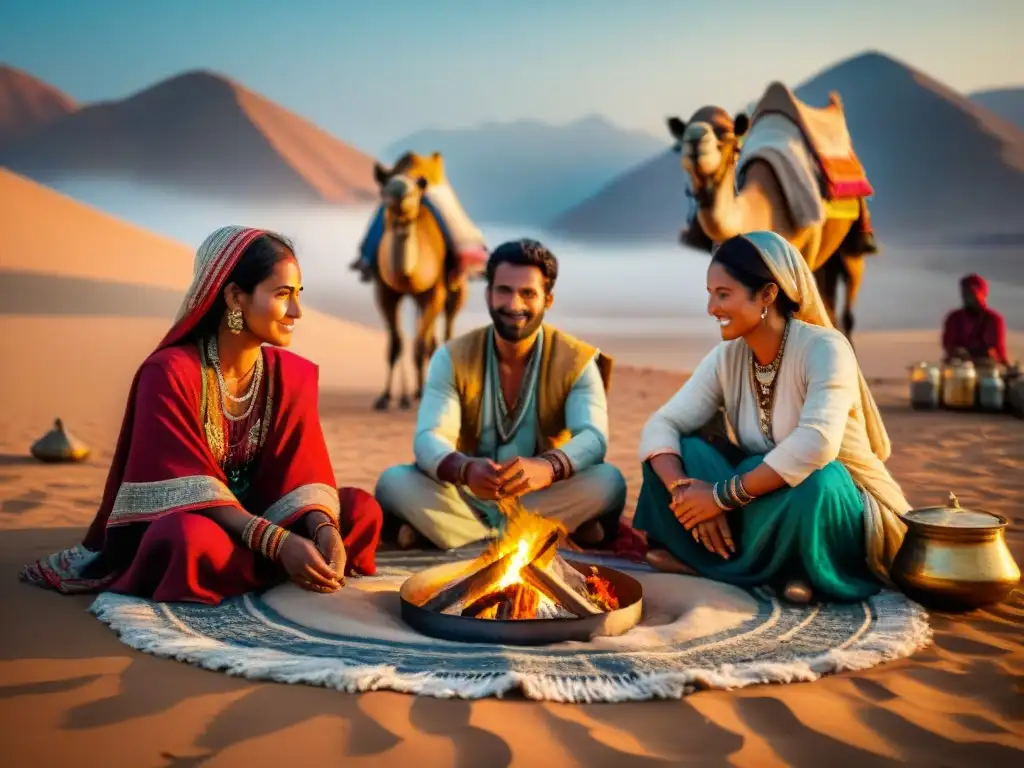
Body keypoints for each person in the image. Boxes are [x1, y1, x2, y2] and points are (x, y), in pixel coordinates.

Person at [20, 226, 383, 605]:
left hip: (263, 516)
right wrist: (277, 544)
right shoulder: (170, 373)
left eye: (298, 295)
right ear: (235, 297)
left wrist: (321, 527)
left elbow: (302, 471)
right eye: (282, 295)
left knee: (359, 510)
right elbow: (181, 483)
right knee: (185, 540)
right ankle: (274, 569)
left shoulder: (291, 374)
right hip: (207, 524)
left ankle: (272, 567)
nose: (296, 311)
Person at [633, 230, 909, 603]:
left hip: (831, 504)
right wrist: (686, 492)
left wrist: (720, 497)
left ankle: (795, 569)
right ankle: (759, 569)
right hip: (758, 495)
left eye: (723, 294)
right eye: (710, 294)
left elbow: (817, 443)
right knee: (679, 452)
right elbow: (662, 424)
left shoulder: (825, 348)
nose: (712, 308)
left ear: (767, 295)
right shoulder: (726, 358)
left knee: (817, 481)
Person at [374, 238, 627, 550]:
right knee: (394, 482)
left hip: (542, 495)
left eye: (528, 293)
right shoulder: (452, 357)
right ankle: (525, 539)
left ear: (548, 300)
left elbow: (592, 438)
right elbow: (430, 437)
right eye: (504, 291)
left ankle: (465, 540)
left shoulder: (576, 360)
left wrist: (547, 468)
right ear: (488, 294)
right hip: (468, 496)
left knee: (608, 482)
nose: (514, 305)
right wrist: (464, 469)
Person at [942, 273, 1009, 366]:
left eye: (971, 293)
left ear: (982, 293)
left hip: (988, 368)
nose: (967, 297)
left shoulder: (993, 319)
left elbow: (996, 349)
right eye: (965, 292)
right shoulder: (954, 318)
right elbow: (948, 345)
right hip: (958, 368)